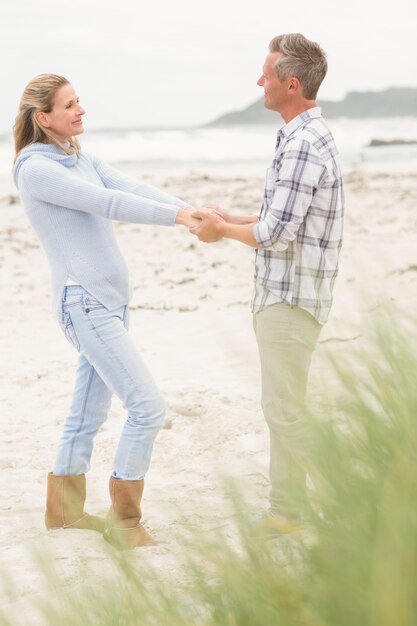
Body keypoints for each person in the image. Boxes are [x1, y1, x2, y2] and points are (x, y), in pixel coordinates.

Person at [13, 74, 199, 549]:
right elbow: (108, 202)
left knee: (87, 412)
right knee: (147, 407)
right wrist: (179, 219)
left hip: (108, 304)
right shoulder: (35, 169)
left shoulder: (77, 158)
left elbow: (130, 185)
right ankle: (125, 522)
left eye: (79, 102)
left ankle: (65, 513)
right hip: (85, 302)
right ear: (44, 117)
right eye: (70, 105)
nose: (81, 111)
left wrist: (196, 211)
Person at [191, 33, 344, 530]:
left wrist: (221, 233)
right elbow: (282, 217)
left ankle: (349, 503)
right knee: (285, 408)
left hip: (289, 296)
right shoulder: (305, 136)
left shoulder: (301, 143)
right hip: (292, 293)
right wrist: (231, 216)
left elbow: (277, 233)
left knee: (284, 412)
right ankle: (288, 512)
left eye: (267, 73)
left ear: (291, 84)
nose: (259, 80)